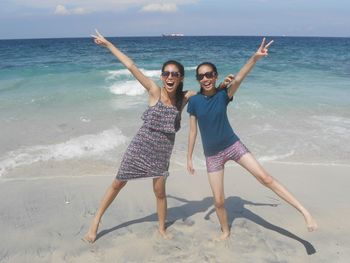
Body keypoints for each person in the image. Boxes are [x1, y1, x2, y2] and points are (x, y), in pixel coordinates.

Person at [84, 30, 232, 242]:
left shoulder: (185, 98)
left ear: (180, 78)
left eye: (174, 74)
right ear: (162, 76)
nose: (170, 77)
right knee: (118, 183)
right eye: (166, 74)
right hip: (140, 147)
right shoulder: (154, 91)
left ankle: (162, 228)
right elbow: (131, 66)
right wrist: (108, 45)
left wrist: (222, 86)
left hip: (162, 153)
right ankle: (96, 221)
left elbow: (207, 92)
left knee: (160, 192)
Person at [186, 38, 318, 241]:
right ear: (198, 79)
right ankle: (225, 231)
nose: (206, 78)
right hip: (212, 156)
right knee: (219, 202)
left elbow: (239, 78)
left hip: (233, 145)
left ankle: (304, 212)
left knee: (266, 178)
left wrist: (255, 58)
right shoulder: (194, 101)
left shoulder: (223, 95)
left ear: (215, 75)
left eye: (209, 74)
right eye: (202, 76)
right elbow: (193, 131)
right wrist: (188, 158)